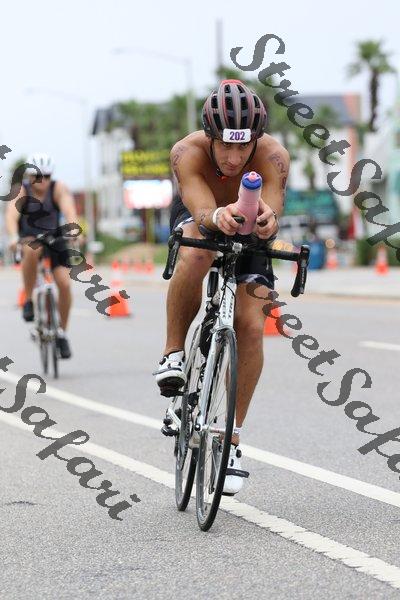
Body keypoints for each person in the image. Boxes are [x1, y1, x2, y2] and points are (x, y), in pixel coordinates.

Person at [154, 79, 290, 495]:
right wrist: (216, 217)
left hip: (248, 224)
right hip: (203, 215)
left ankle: (230, 441)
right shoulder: (187, 152)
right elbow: (200, 207)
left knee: (251, 325)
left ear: (256, 139)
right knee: (197, 254)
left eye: (243, 147)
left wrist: (267, 220)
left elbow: (273, 204)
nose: (234, 158)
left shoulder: (274, 155)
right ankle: (173, 354)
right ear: (210, 137)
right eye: (225, 146)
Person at [6, 153, 78, 359]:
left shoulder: (58, 188)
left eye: (47, 176)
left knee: (64, 284)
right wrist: (13, 237)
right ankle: (28, 300)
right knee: (31, 249)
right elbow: (11, 215)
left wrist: (74, 231)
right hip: (29, 238)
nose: (42, 181)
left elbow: (70, 211)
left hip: (55, 239)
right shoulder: (21, 190)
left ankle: (62, 333)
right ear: (29, 176)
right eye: (38, 176)